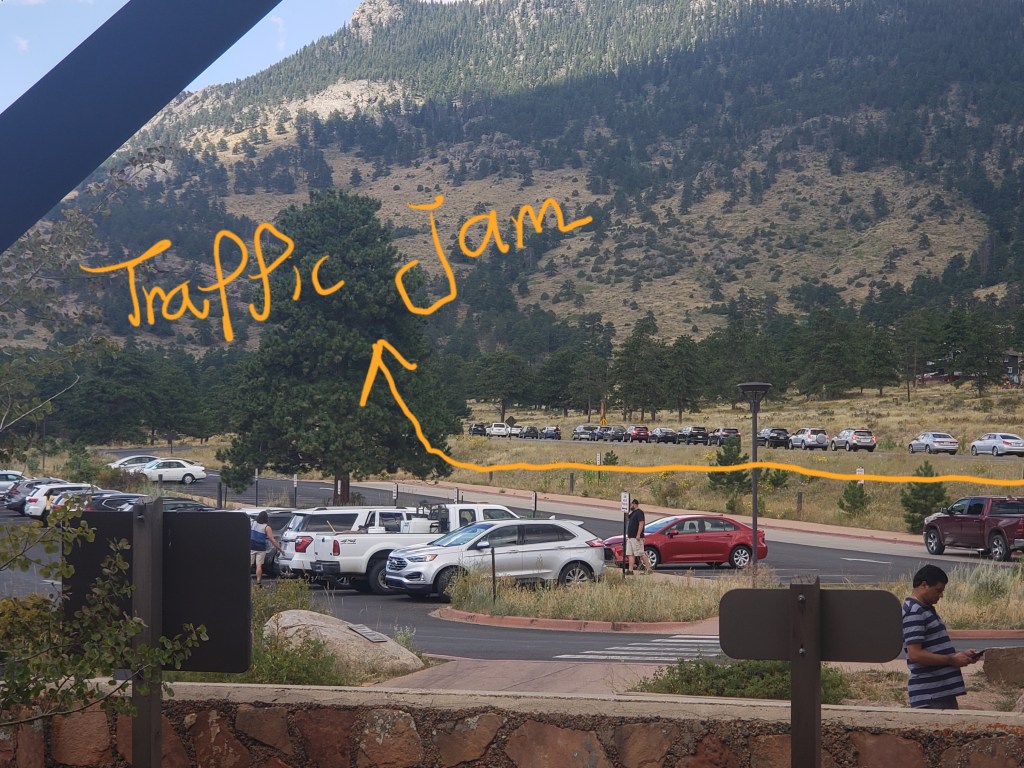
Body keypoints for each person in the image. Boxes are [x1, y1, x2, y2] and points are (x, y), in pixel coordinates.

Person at [902, 564, 980, 709]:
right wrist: (951, 660)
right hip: (929, 694)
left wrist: (959, 656)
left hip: (940, 692)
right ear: (924, 585)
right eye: (938, 591)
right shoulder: (915, 612)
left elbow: (932, 648)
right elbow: (915, 654)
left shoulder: (925, 609)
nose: (940, 596)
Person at [250, 510, 283, 587]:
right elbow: (272, 539)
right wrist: (279, 549)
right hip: (261, 548)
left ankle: (244, 580)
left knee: (249, 564)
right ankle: (258, 582)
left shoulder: (252, 523)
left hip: (251, 546)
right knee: (259, 565)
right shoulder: (266, 527)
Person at [625, 499, 653, 575]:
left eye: (631, 505)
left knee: (640, 553)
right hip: (630, 537)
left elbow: (641, 523)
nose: (630, 506)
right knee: (630, 554)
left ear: (635, 504)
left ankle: (648, 569)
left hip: (636, 537)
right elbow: (628, 517)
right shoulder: (633, 513)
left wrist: (638, 534)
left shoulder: (639, 512)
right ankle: (630, 570)